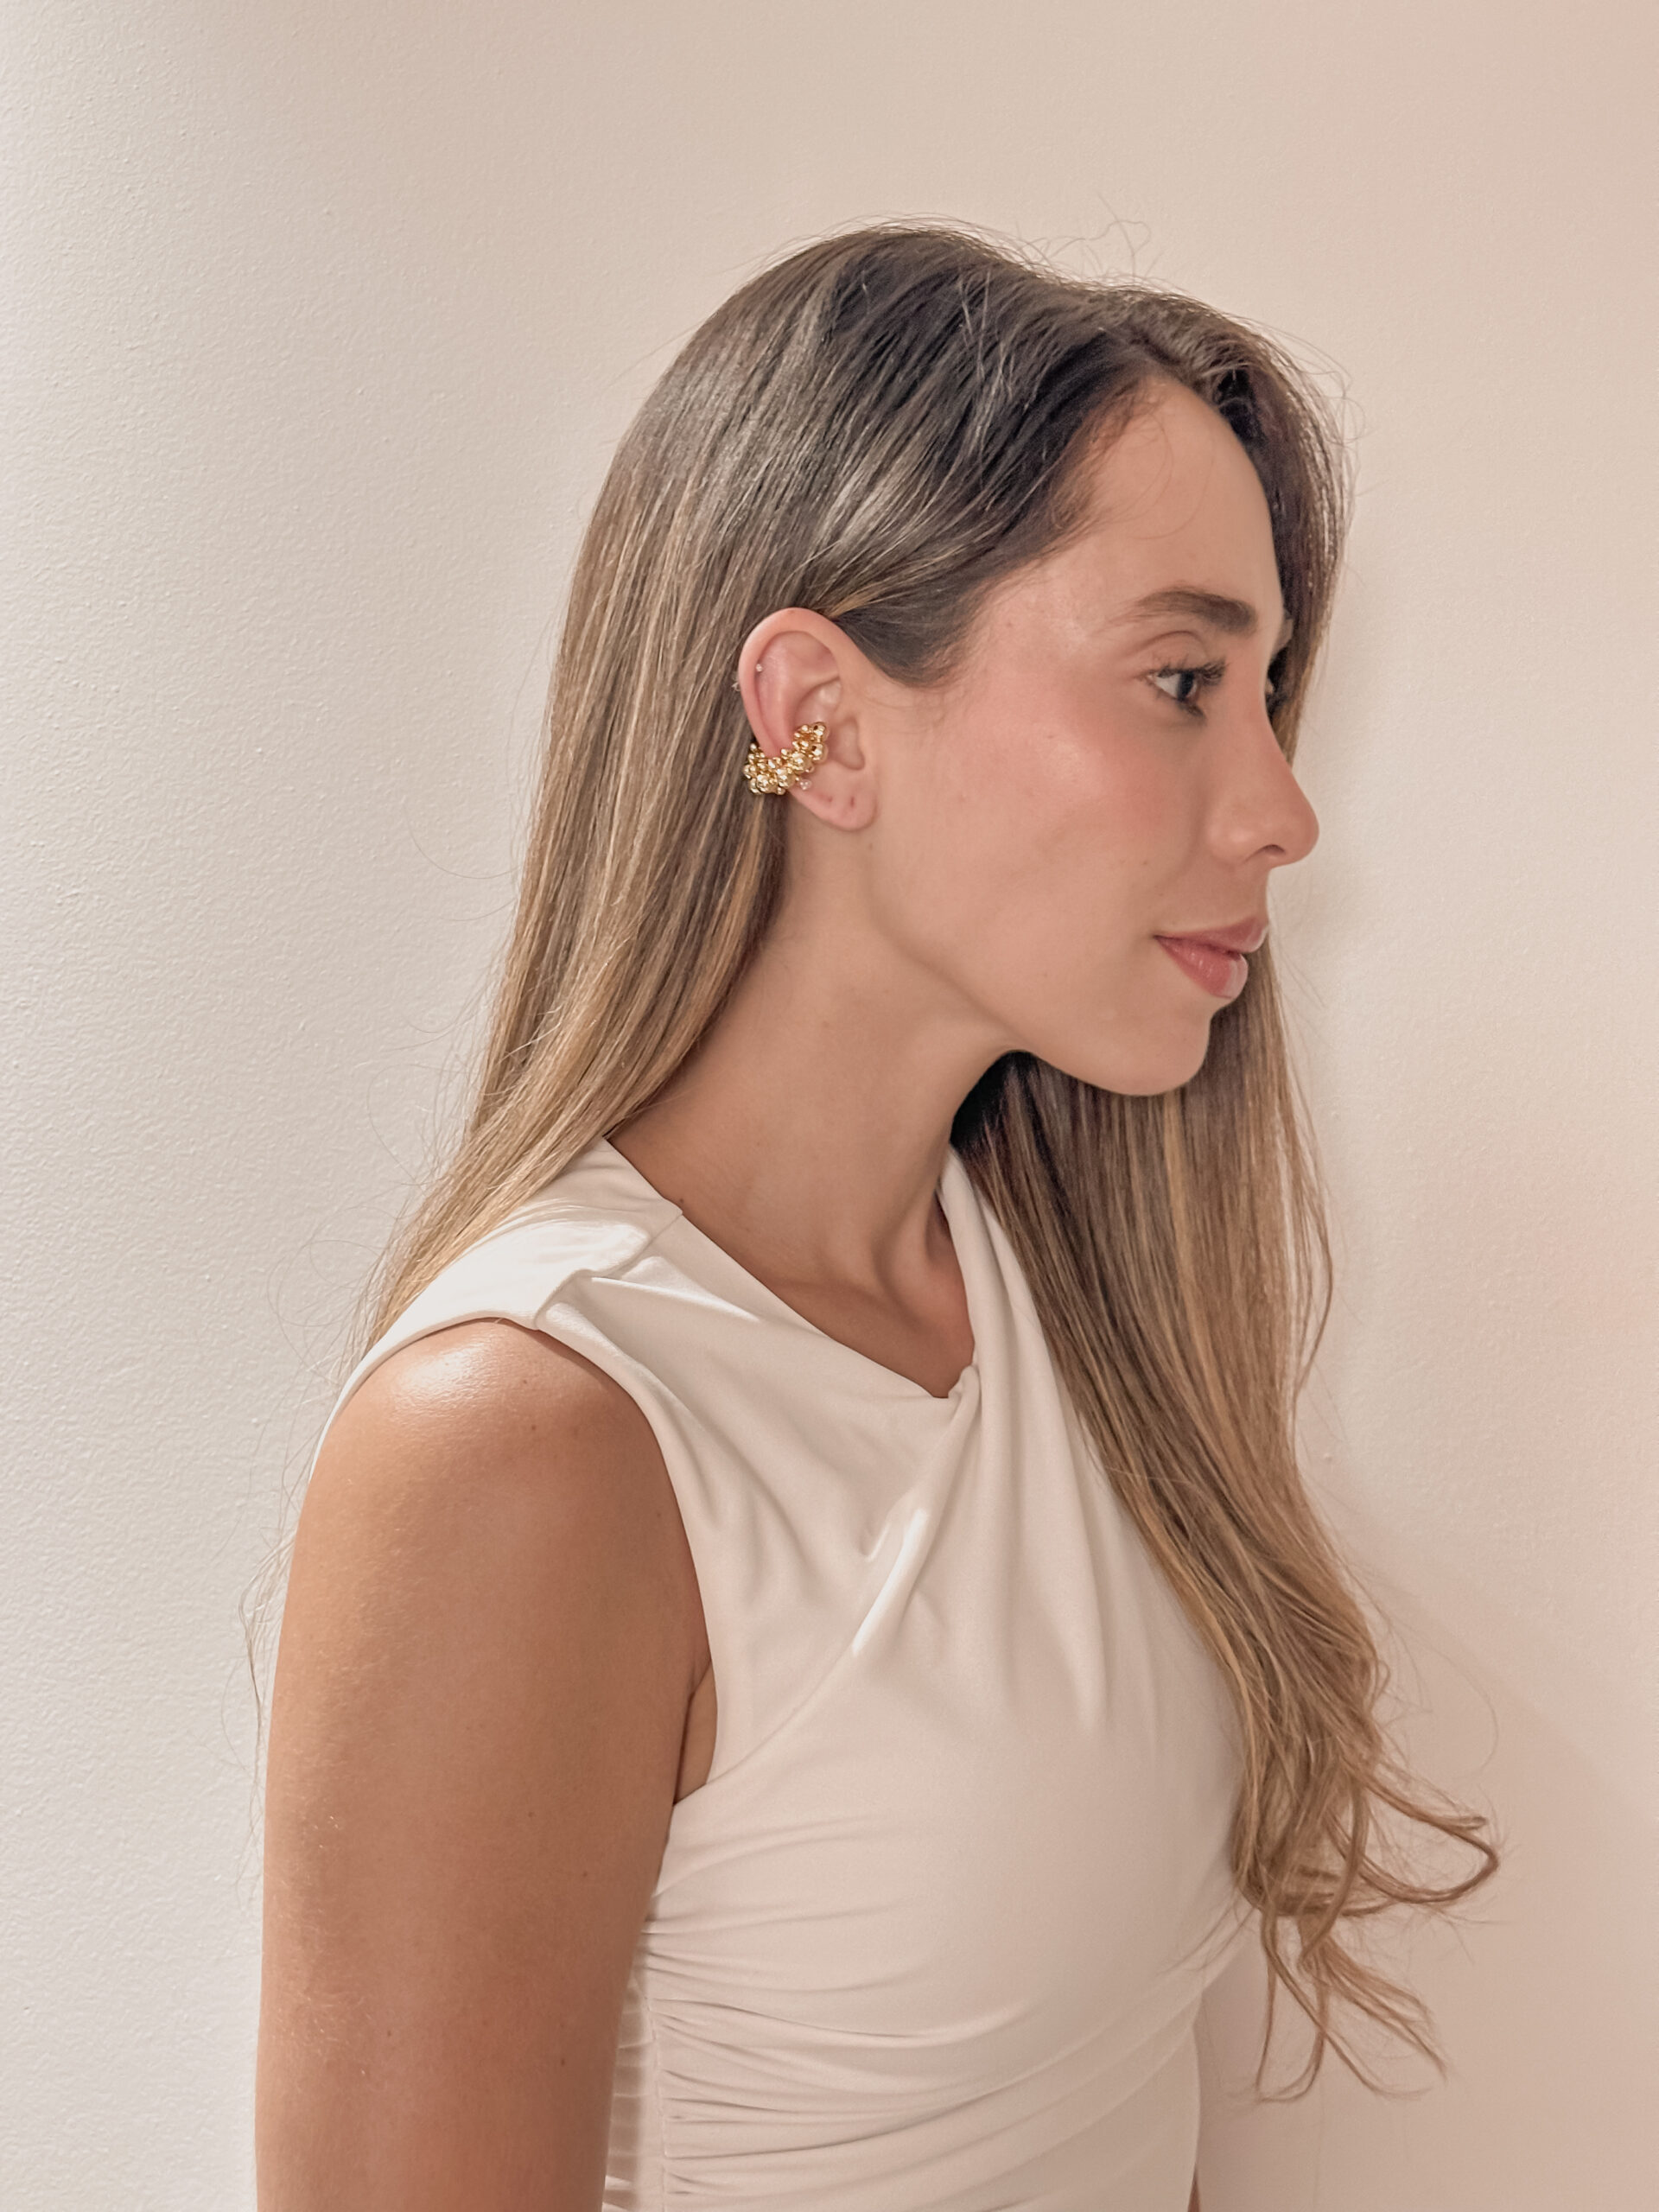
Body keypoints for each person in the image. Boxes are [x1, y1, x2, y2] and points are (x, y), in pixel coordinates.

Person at [253, 223, 1496, 2211]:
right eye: (1183, 680)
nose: (1283, 807)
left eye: (1269, 692)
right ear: (818, 719)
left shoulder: (1069, 1310)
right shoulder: (527, 1441)